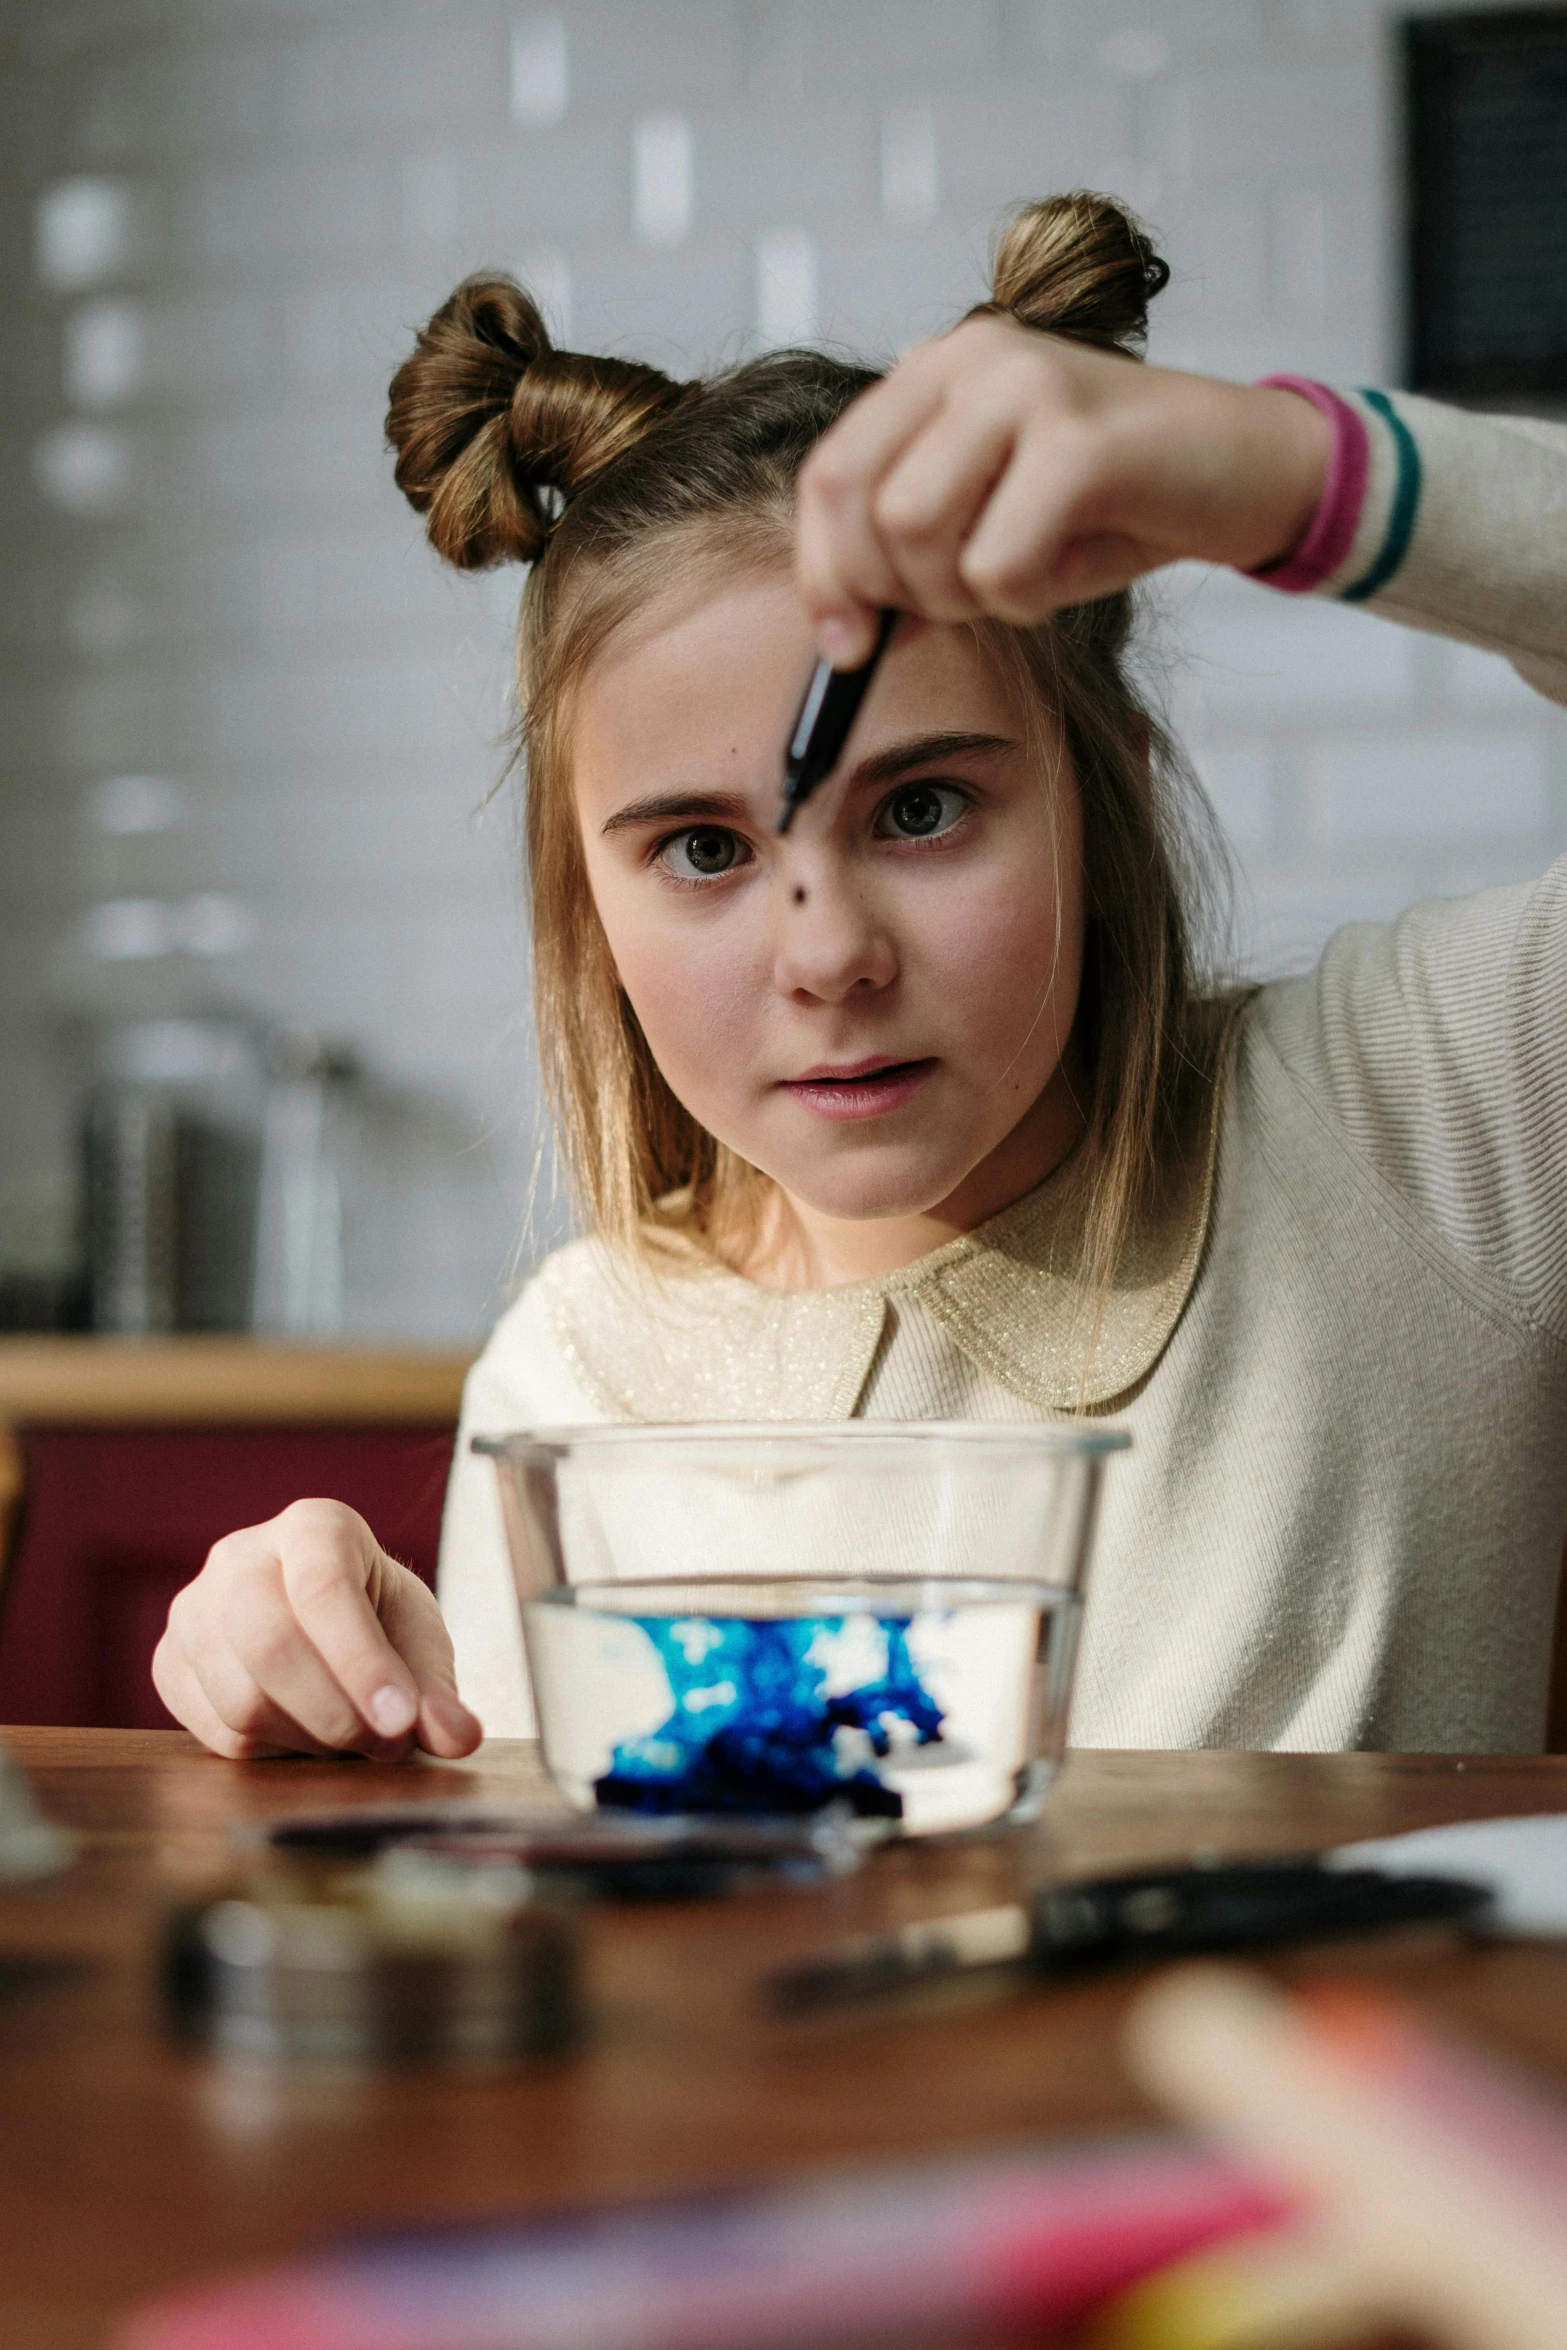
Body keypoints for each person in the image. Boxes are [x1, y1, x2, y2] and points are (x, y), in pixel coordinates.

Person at [151, 193, 1567, 1766]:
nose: (827, 955)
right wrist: (325, 1684)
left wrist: (1281, 476)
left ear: (1109, 809)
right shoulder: (571, 1370)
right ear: (584, 909)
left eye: (919, 807)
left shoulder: (1431, 1116)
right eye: (699, 849)